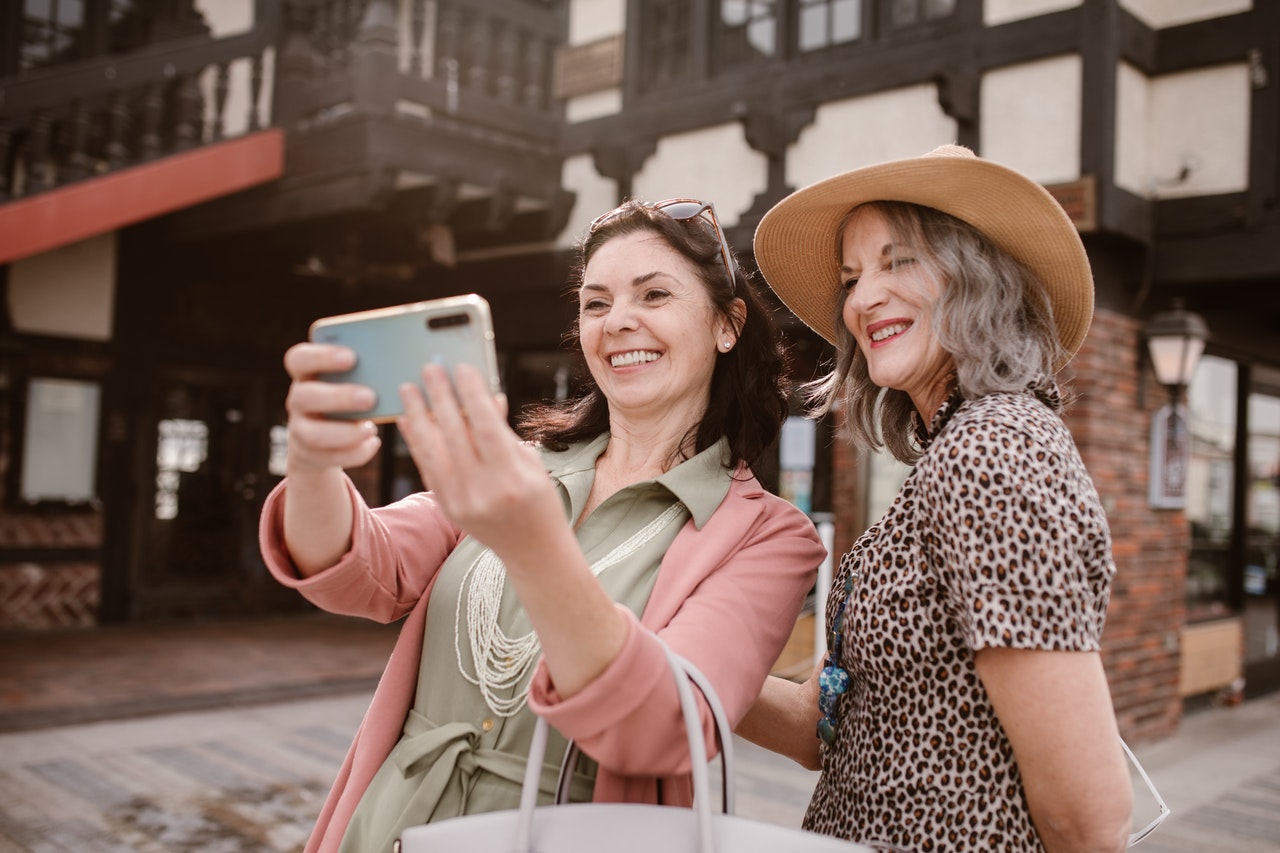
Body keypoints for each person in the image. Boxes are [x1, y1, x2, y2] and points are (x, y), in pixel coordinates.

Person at [259, 197, 826, 853]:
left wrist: (534, 547)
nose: (618, 322)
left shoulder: (768, 537)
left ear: (727, 325)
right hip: (388, 825)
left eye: (654, 294)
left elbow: (668, 725)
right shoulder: (521, 468)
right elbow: (361, 568)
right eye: (596, 303)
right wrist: (310, 465)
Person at [737, 145, 1135, 852]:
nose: (861, 300)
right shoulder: (954, 451)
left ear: (978, 280)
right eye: (853, 277)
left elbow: (1089, 819)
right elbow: (825, 727)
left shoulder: (992, 453)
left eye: (899, 262)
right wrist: (652, 649)